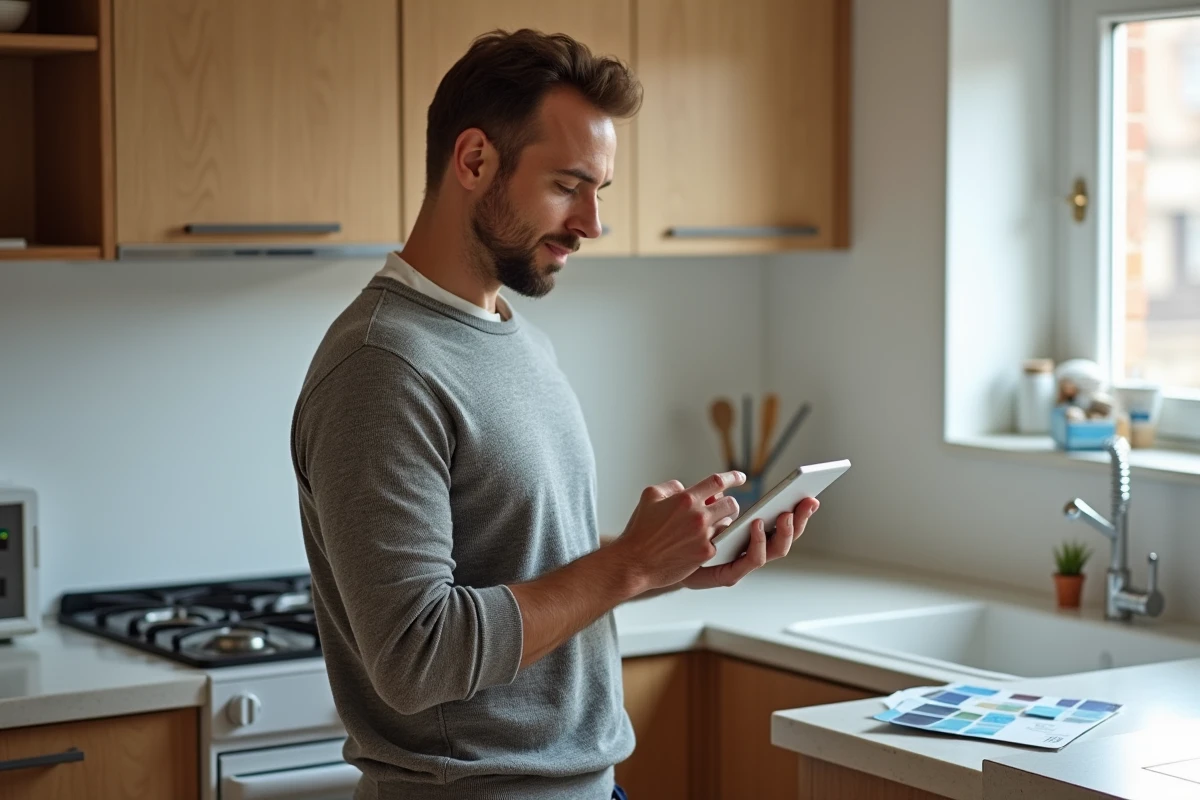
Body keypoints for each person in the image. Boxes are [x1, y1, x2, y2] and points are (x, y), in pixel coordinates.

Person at [290, 28, 819, 800]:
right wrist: (629, 563)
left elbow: (531, 567)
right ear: (474, 161)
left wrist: (673, 559)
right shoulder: (382, 366)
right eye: (569, 185)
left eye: (599, 191)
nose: (591, 222)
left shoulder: (515, 338)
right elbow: (415, 656)